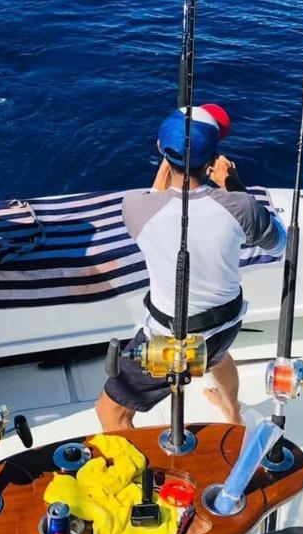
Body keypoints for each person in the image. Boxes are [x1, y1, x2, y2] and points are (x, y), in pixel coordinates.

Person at [96, 107, 287, 430]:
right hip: (226, 325)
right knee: (217, 357)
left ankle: (138, 478)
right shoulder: (241, 206)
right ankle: (233, 414)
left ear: (160, 149)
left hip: (170, 341)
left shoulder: (136, 209)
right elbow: (279, 243)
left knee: (110, 412)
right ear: (213, 160)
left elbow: (155, 196)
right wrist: (234, 183)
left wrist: (170, 163)